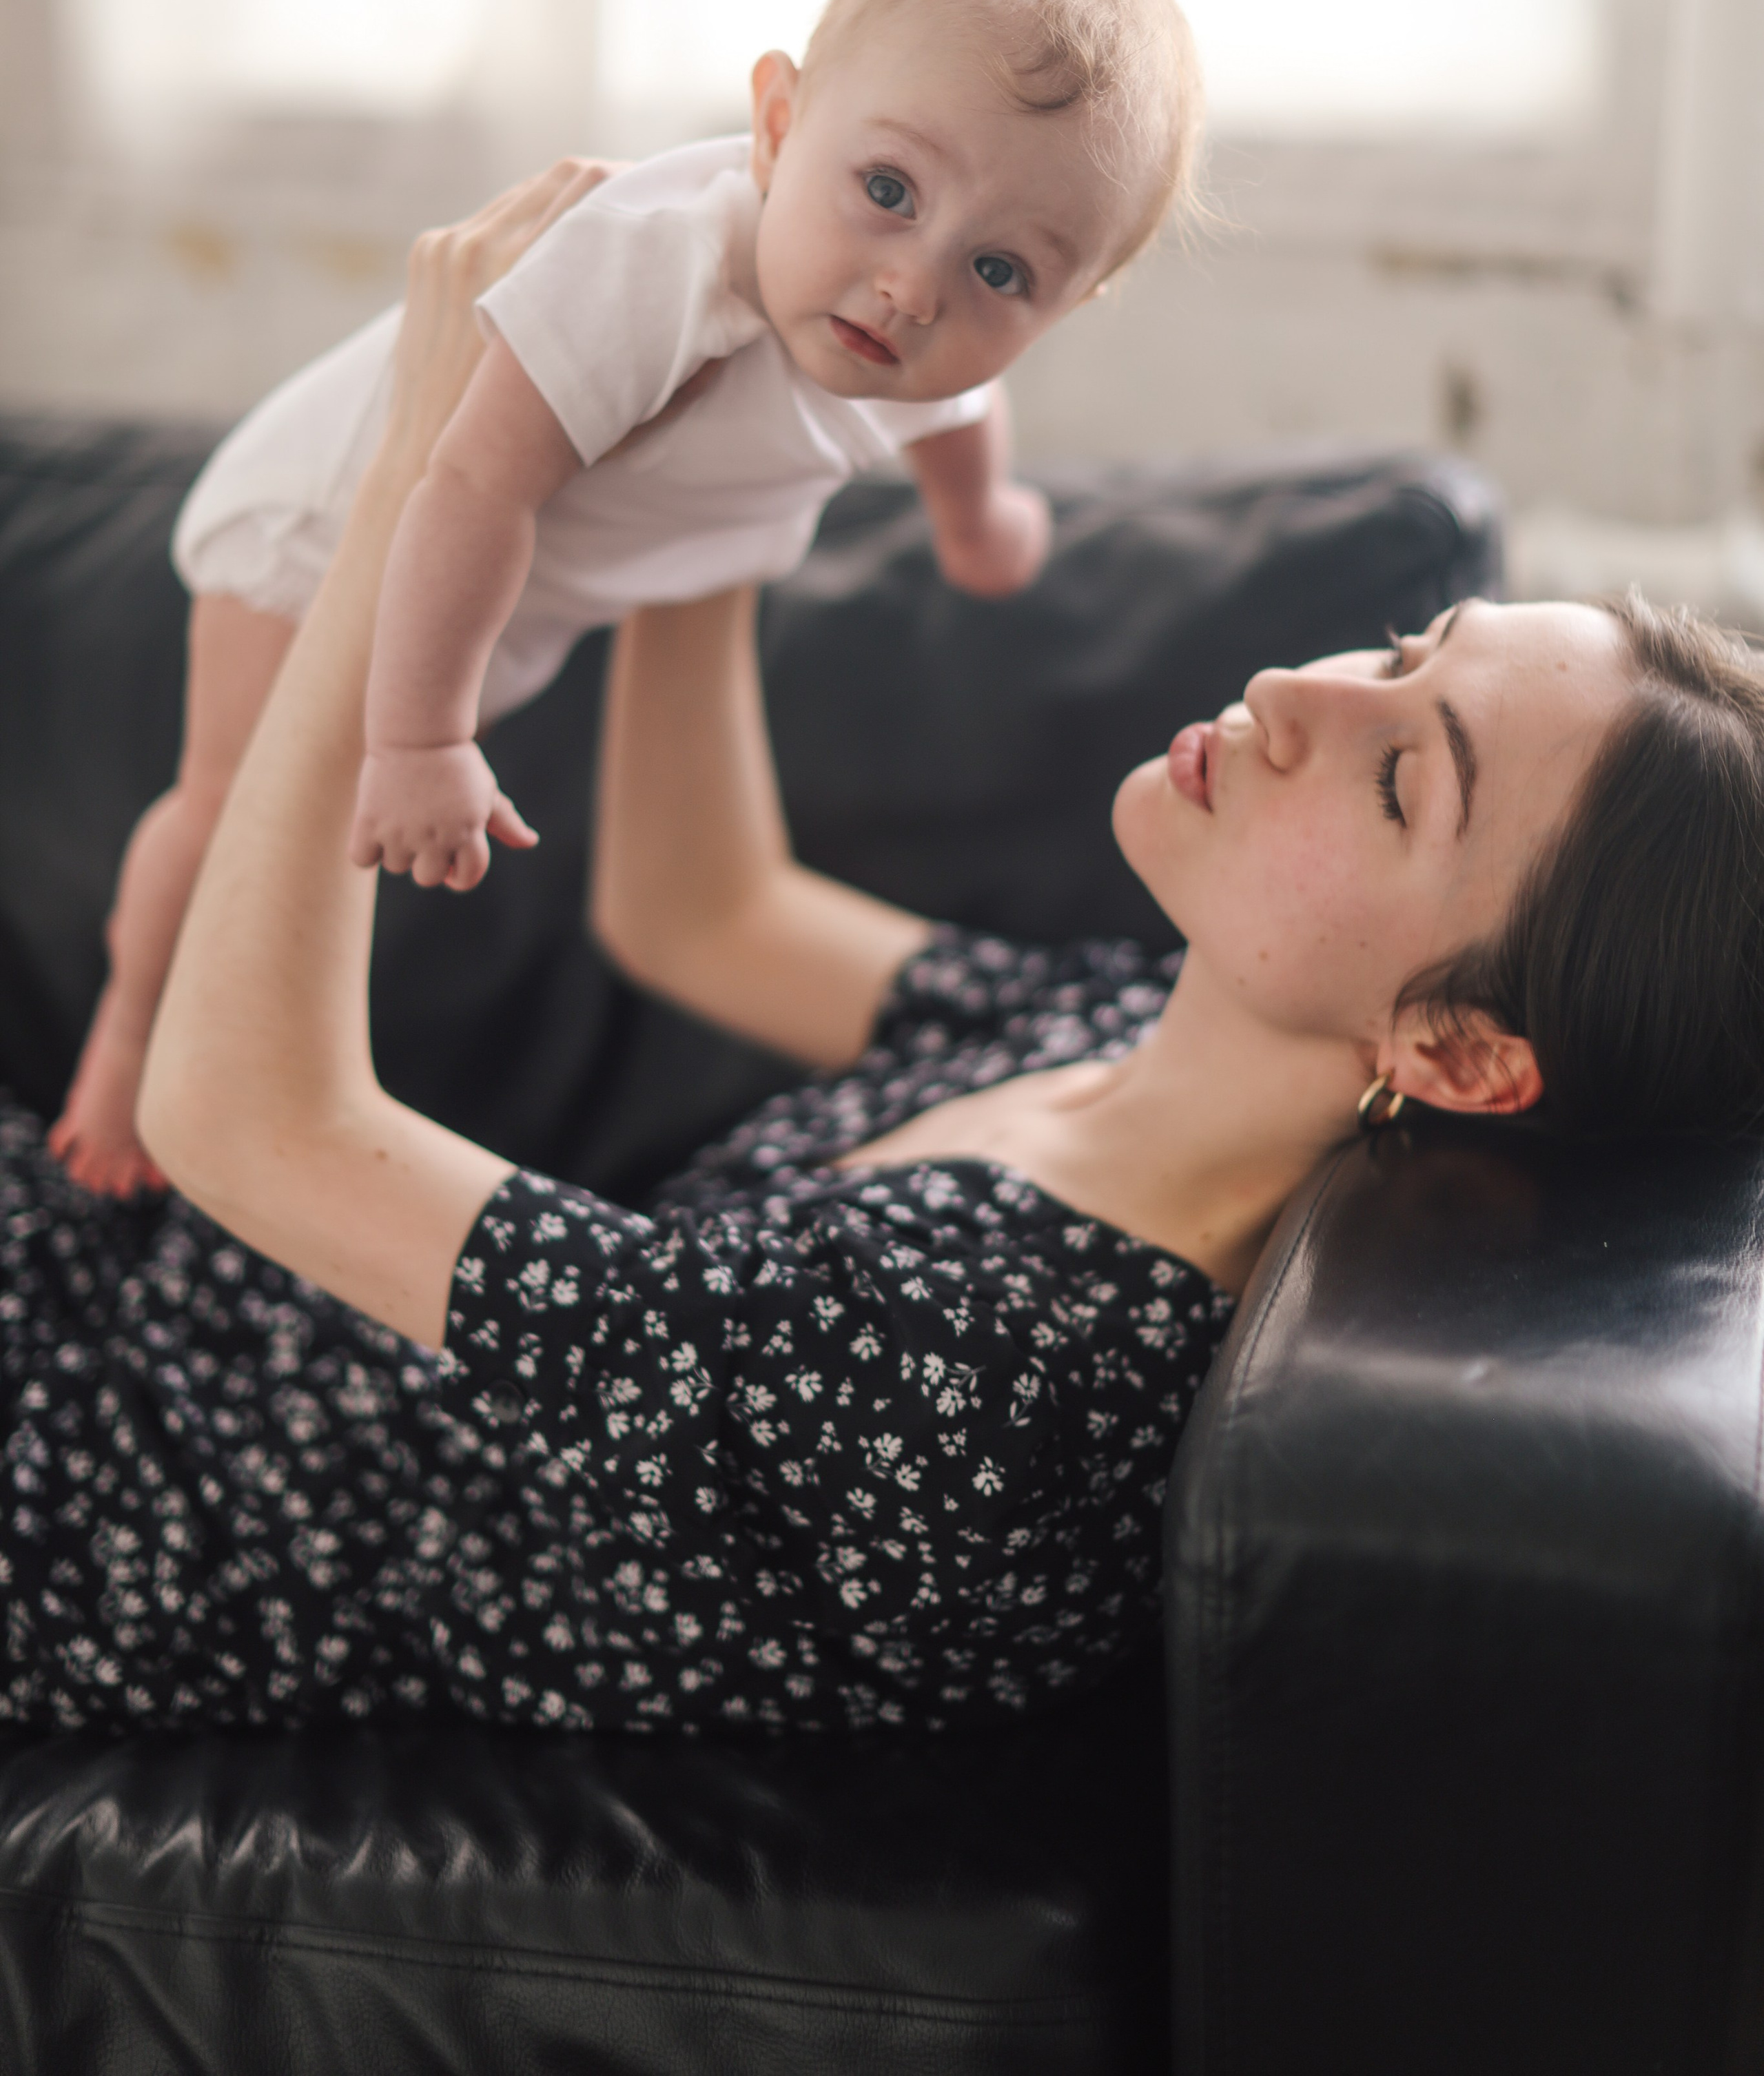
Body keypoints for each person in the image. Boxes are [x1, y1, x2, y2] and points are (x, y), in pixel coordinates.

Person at [3, 165, 1761, 1736]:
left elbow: (239, 1113)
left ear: (1453, 1052)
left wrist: (412, 464)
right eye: (1399, 651)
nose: (1297, 691)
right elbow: (700, 912)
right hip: (130, 1284)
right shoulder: (1112, 1035)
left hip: (89, 1479)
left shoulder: (997, 1386)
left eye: (1399, 782)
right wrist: (727, 435)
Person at [50, 0, 1201, 1198]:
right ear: (777, 123)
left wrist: (976, 520)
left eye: (1004, 273)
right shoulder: (657, 270)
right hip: (335, 522)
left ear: (1066, 304)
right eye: (886, 190)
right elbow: (471, 480)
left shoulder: (935, 340)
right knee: (228, 810)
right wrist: (421, 740)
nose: (917, 282)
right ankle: (129, 1032)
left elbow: (961, 409)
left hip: (522, 584)